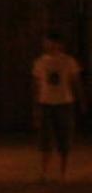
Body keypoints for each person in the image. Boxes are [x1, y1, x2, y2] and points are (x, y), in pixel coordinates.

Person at [32, 31, 83, 181]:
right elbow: (36, 85)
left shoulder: (68, 61)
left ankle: (63, 172)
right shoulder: (40, 62)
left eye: (53, 42)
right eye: (48, 42)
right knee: (45, 140)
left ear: (60, 44)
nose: (50, 45)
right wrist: (35, 106)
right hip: (46, 103)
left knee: (64, 138)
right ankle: (44, 172)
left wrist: (81, 100)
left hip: (64, 103)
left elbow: (76, 82)